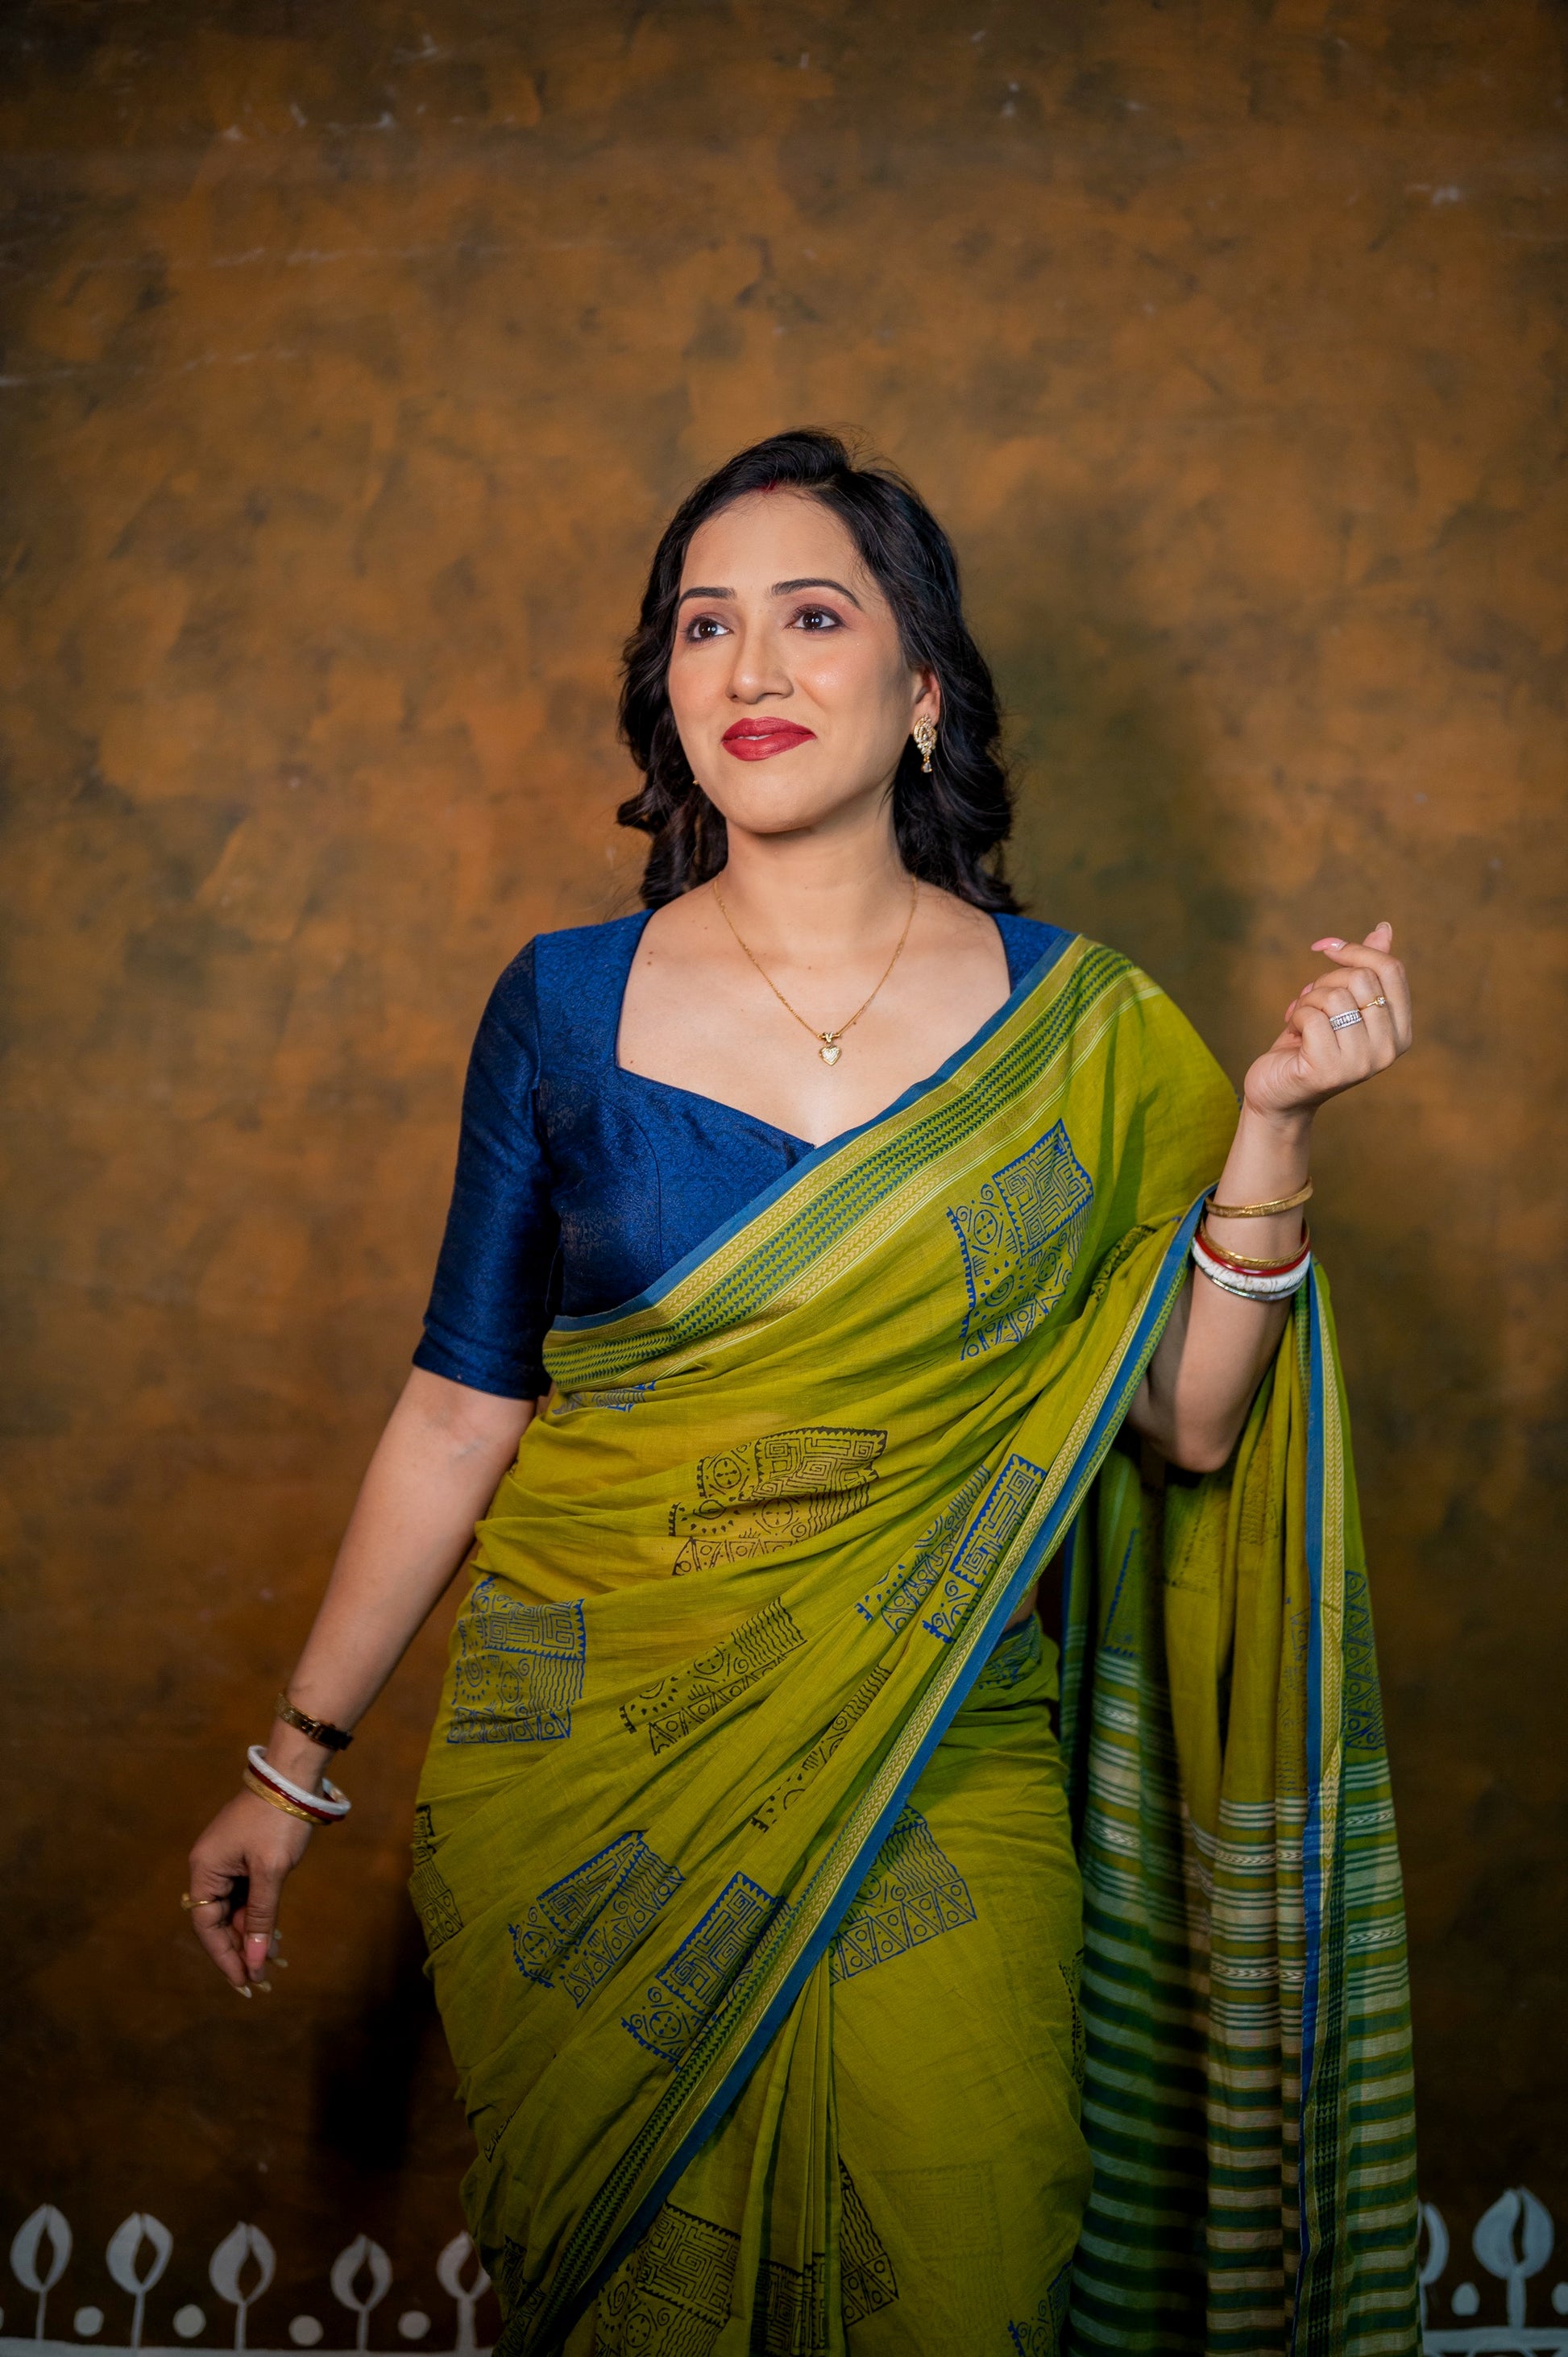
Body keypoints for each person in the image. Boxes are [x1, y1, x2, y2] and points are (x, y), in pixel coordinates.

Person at [187, 430, 1420, 2356]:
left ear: (922, 691)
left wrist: (1265, 1134)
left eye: (812, 616)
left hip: (943, 1764)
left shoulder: (1082, 1033)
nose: (750, 669)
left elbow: (1185, 1423)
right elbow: (458, 1405)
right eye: (704, 627)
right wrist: (294, 1757)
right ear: (667, 699)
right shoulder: (560, 1007)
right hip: (583, 1788)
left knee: (972, 2256)